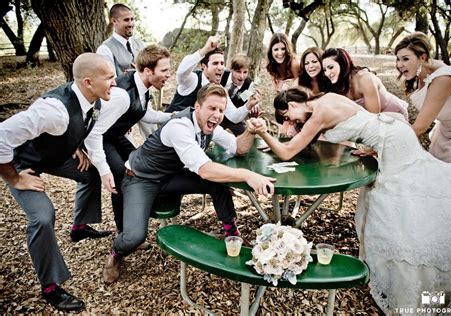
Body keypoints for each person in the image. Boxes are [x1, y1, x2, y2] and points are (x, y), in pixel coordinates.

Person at [254, 87, 451, 313]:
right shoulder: (326, 98)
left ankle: (419, 264)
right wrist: (371, 145)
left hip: (392, 143)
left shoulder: (318, 114)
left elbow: (288, 152)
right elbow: (362, 119)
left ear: (291, 104)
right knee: (402, 194)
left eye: (288, 117)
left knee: (398, 201)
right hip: (394, 131)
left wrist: (263, 133)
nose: (291, 122)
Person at [102, 84, 275, 284]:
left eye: (221, 110)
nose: (217, 115)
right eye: (212, 108)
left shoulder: (211, 126)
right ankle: (115, 254)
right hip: (140, 178)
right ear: (198, 107)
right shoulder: (180, 126)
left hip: (170, 176)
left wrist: (250, 132)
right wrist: (246, 175)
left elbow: (238, 148)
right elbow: (205, 169)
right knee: (134, 237)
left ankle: (231, 233)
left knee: (218, 185)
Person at [0, 53, 117, 312]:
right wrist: (15, 178)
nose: (115, 82)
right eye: (109, 78)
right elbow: (1, 135)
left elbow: (80, 124)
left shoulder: (93, 99)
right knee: (42, 217)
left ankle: (79, 226)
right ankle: (50, 286)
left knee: (90, 172)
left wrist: (74, 144)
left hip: (54, 155)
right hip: (23, 163)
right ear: (88, 82)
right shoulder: (54, 112)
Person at [85, 44, 173, 233]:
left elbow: (144, 113)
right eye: (164, 70)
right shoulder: (121, 95)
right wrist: (102, 169)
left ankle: (140, 207)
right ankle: (124, 231)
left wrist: (172, 116)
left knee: (138, 163)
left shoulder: (143, 86)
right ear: (148, 71)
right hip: (100, 138)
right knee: (120, 175)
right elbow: (93, 129)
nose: (168, 75)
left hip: (115, 136)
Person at [394, 32, 451, 175]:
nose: (399, 65)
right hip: (447, 131)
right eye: (398, 59)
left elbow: (419, 128)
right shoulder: (423, 73)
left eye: (405, 59)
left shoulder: (443, 79)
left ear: (422, 57)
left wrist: (384, 144)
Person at [165, 35, 260, 123]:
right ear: (204, 66)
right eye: (215, 63)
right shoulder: (193, 79)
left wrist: (249, 105)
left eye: (222, 63)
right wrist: (204, 50)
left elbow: (233, 116)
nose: (220, 68)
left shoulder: (221, 89)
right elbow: (181, 73)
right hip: (171, 126)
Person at [96, 3, 155, 139]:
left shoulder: (140, 44)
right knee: (126, 142)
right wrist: (122, 112)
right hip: (123, 105)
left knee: (153, 137)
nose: (131, 23)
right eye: (126, 20)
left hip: (144, 100)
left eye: (132, 19)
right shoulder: (105, 49)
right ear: (114, 21)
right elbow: (111, 82)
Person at [322, 48, 409, 120]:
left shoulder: (366, 80)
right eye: (325, 70)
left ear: (343, 64)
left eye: (331, 67)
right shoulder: (338, 84)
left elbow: (374, 118)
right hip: (369, 120)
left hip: (392, 114)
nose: (327, 73)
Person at [220, 53, 261, 135]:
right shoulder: (222, 76)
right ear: (231, 69)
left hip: (234, 118)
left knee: (245, 135)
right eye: (238, 72)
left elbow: (242, 102)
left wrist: (254, 106)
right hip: (218, 112)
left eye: (245, 72)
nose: (242, 76)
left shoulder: (249, 86)